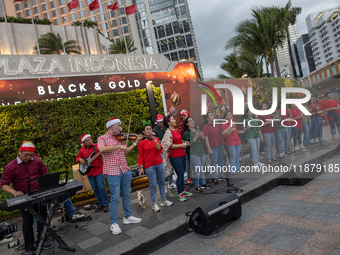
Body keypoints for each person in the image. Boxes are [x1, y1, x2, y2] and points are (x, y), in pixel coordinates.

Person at [1, 141, 54, 255]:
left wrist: (46, 184)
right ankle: (29, 247)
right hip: (24, 197)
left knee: (43, 217)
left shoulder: (36, 161)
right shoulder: (10, 167)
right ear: (19, 152)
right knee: (28, 221)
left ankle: (42, 240)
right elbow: (4, 185)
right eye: (26, 155)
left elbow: (44, 172)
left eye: (31, 155)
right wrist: (14, 192)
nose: (29, 158)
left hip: (39, 193)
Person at [98, 118, 143, 235]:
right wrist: (118, 146)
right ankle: (113, 223)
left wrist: (135, 142)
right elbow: (101, 149)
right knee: (115, 197)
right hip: (113, 171)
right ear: (111, 127)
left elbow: (126, 151)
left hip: (125, 169)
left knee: (127, 194)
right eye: (118, 126)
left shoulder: (120, 138)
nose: (121, 128)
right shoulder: (102, 138)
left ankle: (127, 217)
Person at [138, 123, 173, 212]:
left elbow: (159, 149)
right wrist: (141, 167)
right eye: (147, 129)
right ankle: (154, 203)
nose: (150, 131)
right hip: (149, 166)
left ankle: (163, 200)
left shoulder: (156, 139)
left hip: (159, 163)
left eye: (150, 129)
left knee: (162, 182)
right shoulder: (141, 143)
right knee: (153, 184)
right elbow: (141, 156)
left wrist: (155, 140)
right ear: (143, 132)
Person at [161, 115, 192, 202]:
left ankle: (183, 190)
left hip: (182, 154)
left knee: (182, 173)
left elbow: (178, 140)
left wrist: (184, 142)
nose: (175, 120)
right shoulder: (168, 133)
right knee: (180, 175)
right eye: (173, 119)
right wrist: (181, 145)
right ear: (168, 122)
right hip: (175, 156)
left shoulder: (176, 130)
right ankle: (180, 193)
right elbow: (169, 145)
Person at [76, 134, 109, 213]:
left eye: (90, 139)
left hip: (98, 170)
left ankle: (105, 204)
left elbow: (105, 150)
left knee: (101, 187)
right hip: (89, 172)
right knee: (95, 188)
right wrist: (80, 160)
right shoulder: (82, 150)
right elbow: (78, 157)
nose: (89, 141)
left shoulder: (98, 146)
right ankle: (100, 204)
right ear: (84, 143)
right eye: (87, 140)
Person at [183, 117, 211, 193]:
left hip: (201, 151)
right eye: (190, 121)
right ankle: (197, 186)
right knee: (197, 169)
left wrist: (202, 136)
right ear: (187, 124)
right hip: (193, 153)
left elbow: (203, 140)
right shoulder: (186, 133)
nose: (192, 122)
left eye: (193, 120)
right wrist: (195, 137)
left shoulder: (197, 130)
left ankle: (203, 183)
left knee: (202, 168)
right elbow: (188, 144)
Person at [153, 114, 176, 190]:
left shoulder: (166, 128)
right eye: (159, 122)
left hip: (167, 150)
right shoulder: (154, 130)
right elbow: (154, 141)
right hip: (160, 151)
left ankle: (170, 182)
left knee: (169, 166)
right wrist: (161, 141)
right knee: (163, 168)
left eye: (162, 122)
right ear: (157, 122)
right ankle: (163, 186)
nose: (161, 123)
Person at [203, 112, 225, 184]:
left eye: (213, 115)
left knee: (221, 160)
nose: (213, 116)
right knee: (214, 162)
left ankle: (221, 175)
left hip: (220, 144)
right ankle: (214, 177)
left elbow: (222, 132)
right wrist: (208, 148)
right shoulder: (206, 126)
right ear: (207, 118)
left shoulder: (217, 125)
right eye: (211, 115)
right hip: (213, 146)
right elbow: (206, 138)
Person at [177, 109, 193, 183]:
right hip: (185, 144)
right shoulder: (181, 125)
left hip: (191, 142)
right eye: (185, 113)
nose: (187, 114)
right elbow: (182, 134)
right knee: (188, 161)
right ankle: (189, 176)